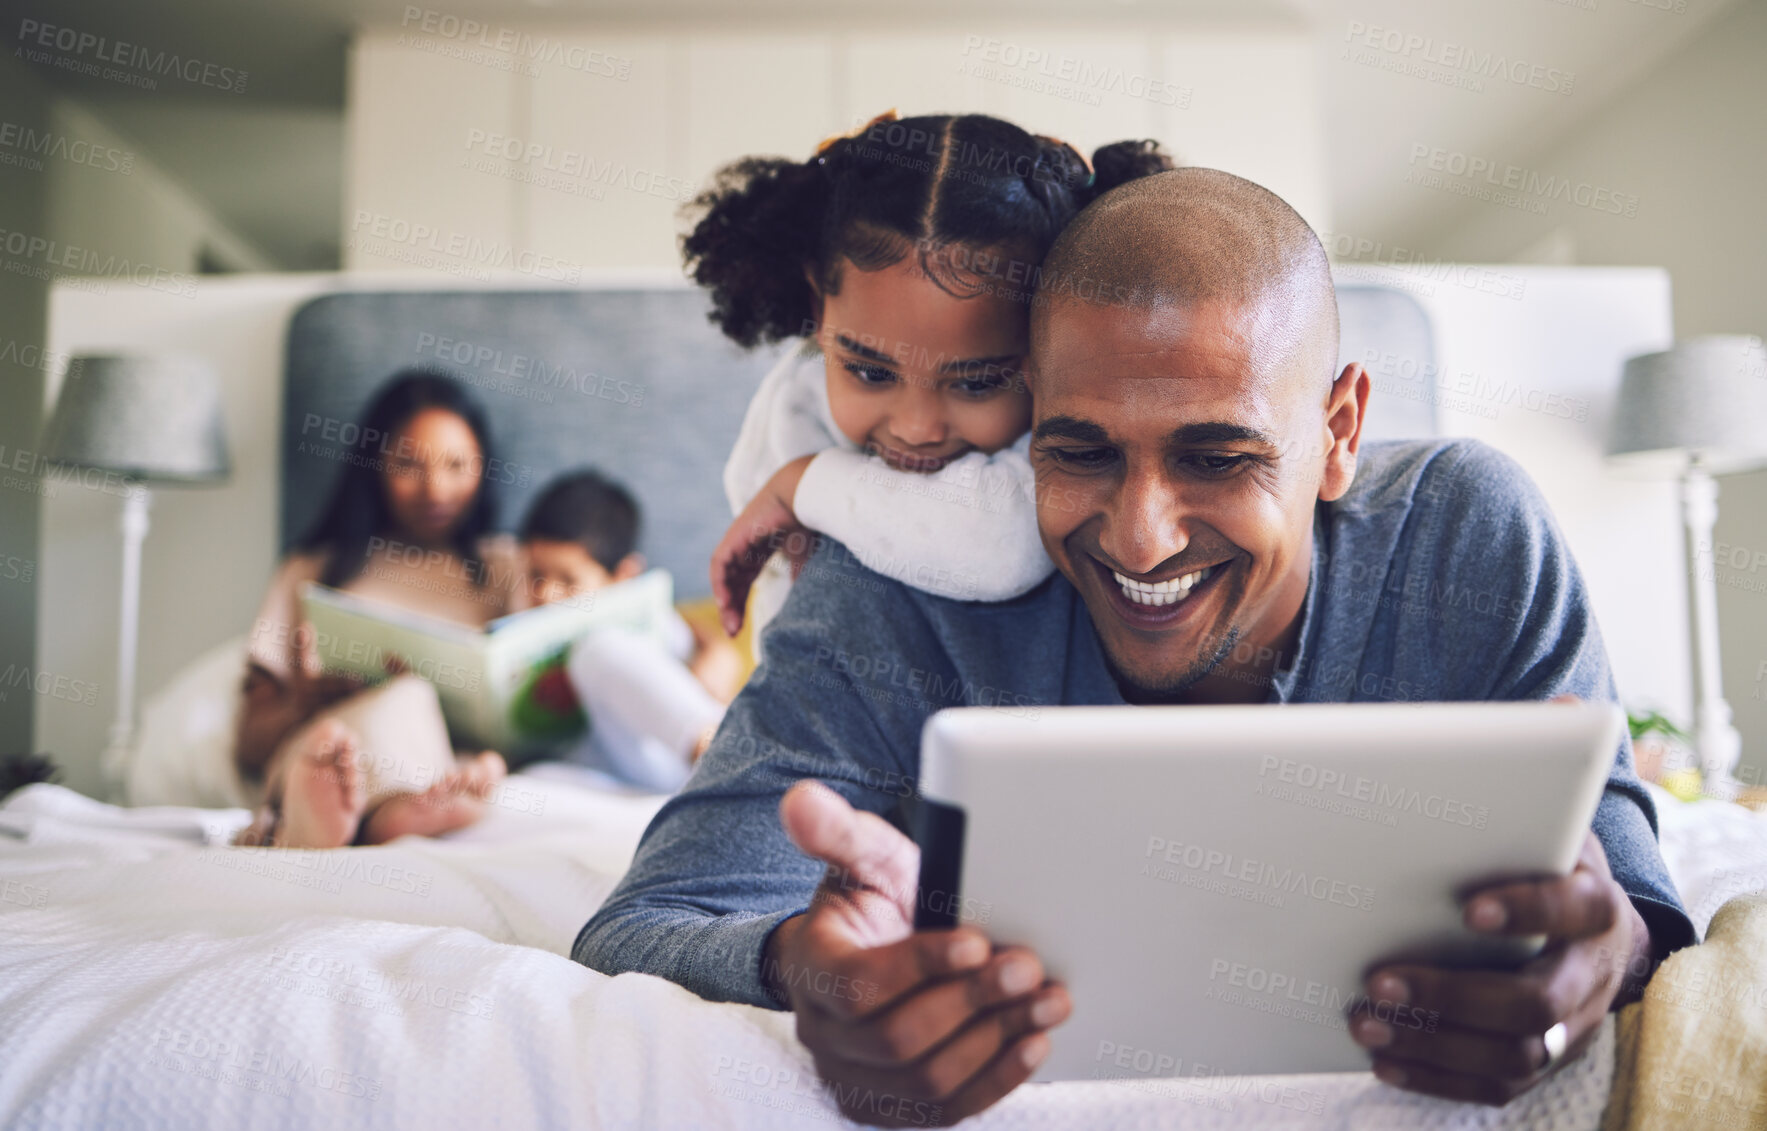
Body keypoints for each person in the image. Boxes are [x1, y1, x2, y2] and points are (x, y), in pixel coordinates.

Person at [575, 168, 1696, 1124]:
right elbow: (643, 926)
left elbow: (1632, 896)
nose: (1139, 534)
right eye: (1081, 453)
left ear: (1339, 431)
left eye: (1217, 457)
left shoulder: (1466, 536)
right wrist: (805, 971)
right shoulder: (893, 588)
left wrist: (1607, 959)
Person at [695, 111, 1173, 638]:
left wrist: (800, 485)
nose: (916, 428)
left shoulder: (1074, 422)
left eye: (976, 383)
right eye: (870, 373)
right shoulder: (793, 400)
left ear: (1053, 340)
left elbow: (1001, 548)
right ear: (819, 307)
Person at [234, 371, 519, 848]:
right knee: (370, 720)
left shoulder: (505, 567)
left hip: (449, 762)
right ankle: (346, 811)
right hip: (328, 747)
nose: (435, 489)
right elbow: (248, 743)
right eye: (409, 464)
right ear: (374, 465)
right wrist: (300, 703)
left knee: (430, 717)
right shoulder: (311, 570)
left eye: (457, 465)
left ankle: (367, 822)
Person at [518, 468, 742, 791]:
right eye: (536, 575)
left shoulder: (650, 626)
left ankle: (729, 763)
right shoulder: (519, 622)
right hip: (608, 780)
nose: (545, 594)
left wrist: (715, 651)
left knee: (597, 650)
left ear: (623, 577)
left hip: (672, 762)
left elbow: (704, 659)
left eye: (568, 581)